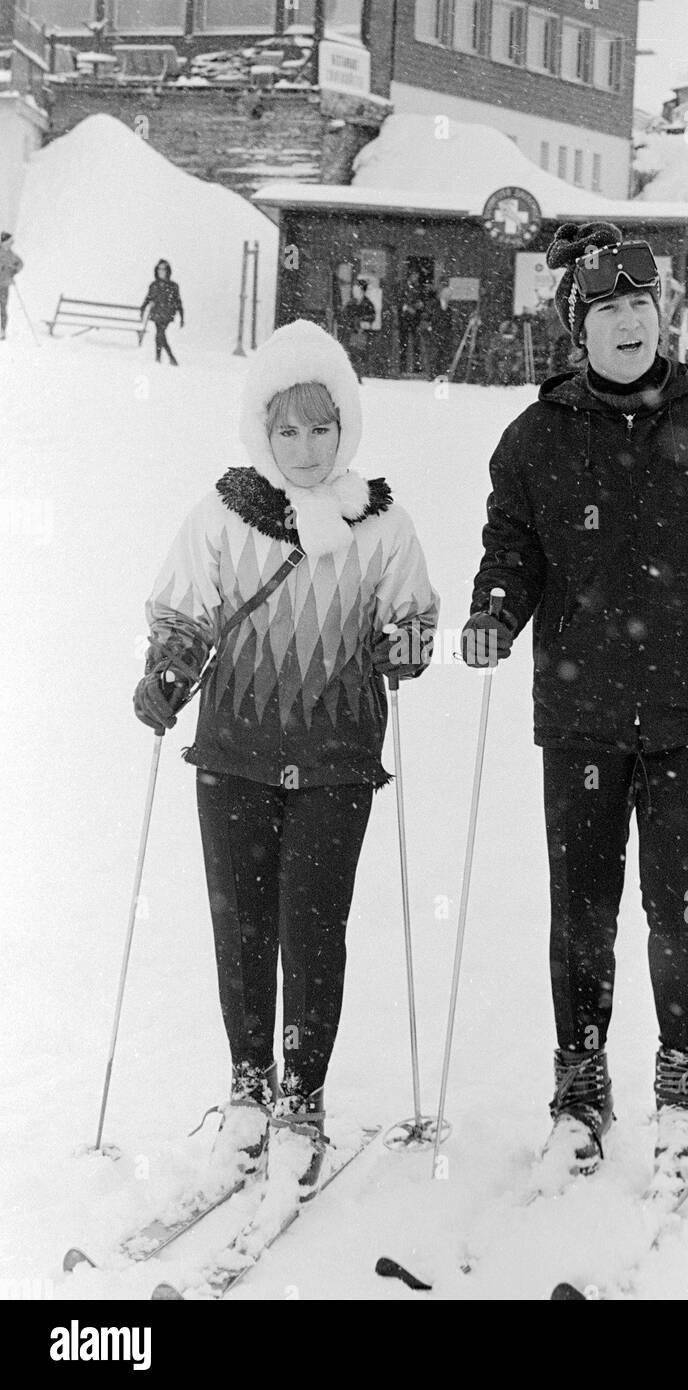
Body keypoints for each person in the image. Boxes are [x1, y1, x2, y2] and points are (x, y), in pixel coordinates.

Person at [461, 221, 688, 1195]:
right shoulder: (534, 442)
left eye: (640, 305)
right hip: (581, 712)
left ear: (661, 314)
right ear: (576, 329)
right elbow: (513, 550)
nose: (628, 323)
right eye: (606, 311)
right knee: (579, 909)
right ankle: (580, 1093)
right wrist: (494, 612)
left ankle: (682, 1088)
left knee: (677, 902)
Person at [134, 319, 439, 1186]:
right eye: (287, 429)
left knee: (313, 929)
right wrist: (166, 669)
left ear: (347, 426)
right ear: (260, 434)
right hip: (234, 755)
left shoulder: (381, 524)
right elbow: (181, 614)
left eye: (322, 426)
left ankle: (302, 1095)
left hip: (338, 762)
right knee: (242, 928)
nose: (306, 447)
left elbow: (415, 616)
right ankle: (247, 1085)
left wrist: (409, 647)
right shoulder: (223, 518)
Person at [140, 258, 184, 365]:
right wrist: (143, 308)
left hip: (167, 314)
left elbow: (178, 301)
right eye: (159, 269)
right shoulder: (154, 285)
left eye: (163, 269)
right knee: (159, 335)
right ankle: (161, 357)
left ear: (167, 271)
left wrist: (182, 317)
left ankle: (167, 357)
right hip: (156, 313)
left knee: (160, 334)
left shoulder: (173, 286)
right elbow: (148, 298)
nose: (161, 271)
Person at [338, 278, 375, 383]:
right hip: (349, 331)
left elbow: (372, 317)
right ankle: (349, 376)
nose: (355, 289)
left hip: (360, 333)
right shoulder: (351, 302)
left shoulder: (367, 303)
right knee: (348, 354)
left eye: (357, 287)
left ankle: (357, 376)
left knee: (358, 354)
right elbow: (344, 315)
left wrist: (362, 321)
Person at [397, 270, 426, 375]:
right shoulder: (403, 286)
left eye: (417, 276)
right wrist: (407, 307)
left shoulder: (418, 288)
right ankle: (403, 366)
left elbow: (421, 301)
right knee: (403, 343)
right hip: (405, 319)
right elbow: (399, 301)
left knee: (416, 344)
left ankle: (417, 366)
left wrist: (419, 305)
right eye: (415, 275)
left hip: (415, 320)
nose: (416, 278)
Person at [426, 283, 455, 378]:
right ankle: (432, 374)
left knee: (443, 355)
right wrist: (431, 327)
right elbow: (430, 317)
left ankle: (441, 374)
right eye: (447, 295)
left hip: (445, 334)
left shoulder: (449, 308)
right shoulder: (434, 305)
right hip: (435, 333)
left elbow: (449, 322)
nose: (448, 297)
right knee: (434, 355)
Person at [483, 319, 523, 386]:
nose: (507, 340)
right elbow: (490, 356)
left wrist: (515, 366)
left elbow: (519, 357)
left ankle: (511, 381)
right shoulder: (496, 341)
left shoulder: (516, 343)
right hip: (498, 363)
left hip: (511, 363)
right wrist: (491, 369)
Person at [0, 231, 24, 342]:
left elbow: (20, 264)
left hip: (4, 285)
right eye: (9, 242)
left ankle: (2, 330)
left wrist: (13, 270)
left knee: (3, 308)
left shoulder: (12, 255)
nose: (10, 244)